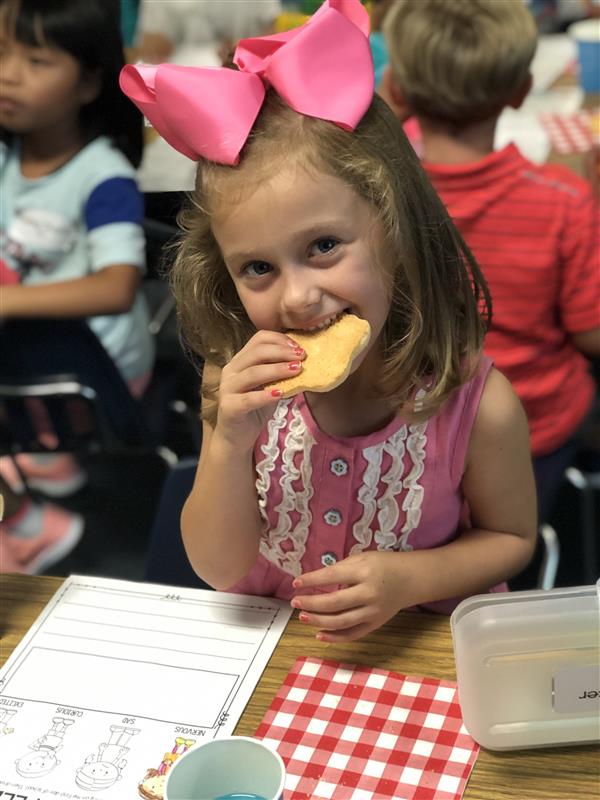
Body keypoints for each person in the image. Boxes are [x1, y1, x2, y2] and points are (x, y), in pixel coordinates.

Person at [121, 0, 537, 642]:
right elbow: (218, 566)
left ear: (396, 230)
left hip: (415, 650)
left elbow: (511, 538)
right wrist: (230, 441)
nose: (296, 297)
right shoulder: (236, 379)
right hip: (276, 649)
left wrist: (411, 579)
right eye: (258, 267)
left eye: (323, 247)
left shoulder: (477, 405)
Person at [383, 0, 600, 525]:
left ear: (398, 90)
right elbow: (591, 335)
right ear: (522, 90)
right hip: (538, 428)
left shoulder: (380, 200)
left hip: (413, 434)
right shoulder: (564, 200)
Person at [0, 0, 154, 569]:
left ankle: (29, 523)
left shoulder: (103, 175)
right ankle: (45, 470)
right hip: (29, 363)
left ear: (90, 82)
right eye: (0, 53)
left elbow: (117, 288)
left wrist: (6, 300)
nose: (8, 74)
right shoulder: (7, 158)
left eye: (37, 61)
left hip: (92, 376)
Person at [135, 0, 282, 65]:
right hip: (181, 83)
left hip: (244, 82)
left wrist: (245, 51)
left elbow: (271, 35)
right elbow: (150, 45)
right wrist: (155, 45)